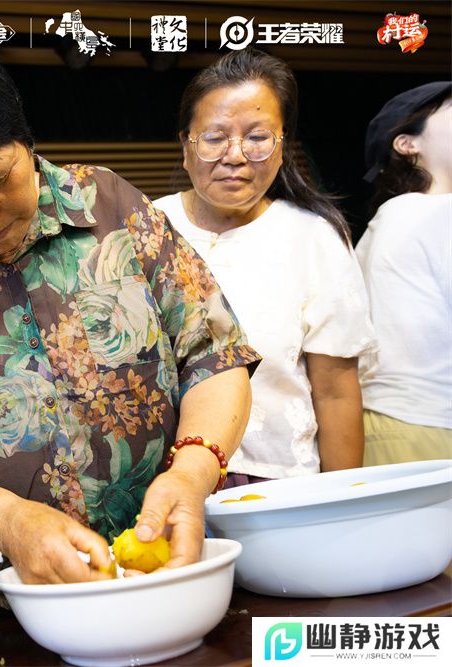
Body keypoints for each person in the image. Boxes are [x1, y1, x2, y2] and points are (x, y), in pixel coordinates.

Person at [0, 31, 259, 588]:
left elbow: (215, 355)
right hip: (17, 597)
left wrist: (192, 472)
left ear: (25, 137)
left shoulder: (110, 206)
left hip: (177, 560)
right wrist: (6, 520)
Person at [153, 50, 376, 488]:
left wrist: (341, 503)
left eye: (257, 137)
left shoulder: (314, 238)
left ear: (281, 147)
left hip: (277, 483)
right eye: (215, 137)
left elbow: (335, 391)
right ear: (186, 147)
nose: (235, 155)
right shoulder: (146, 227)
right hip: (156, 483)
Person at [356, 81, 452, 466]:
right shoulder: (435, 213)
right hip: (429, 429)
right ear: (407, 143)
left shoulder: (392, 216)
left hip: (388, 427)